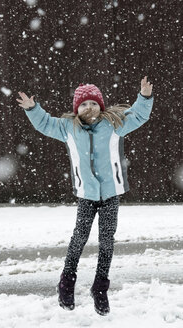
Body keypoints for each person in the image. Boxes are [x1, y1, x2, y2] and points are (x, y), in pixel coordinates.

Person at [16, 76, 153, 316]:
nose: (88, 108)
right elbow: (45, 123)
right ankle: (66, 283)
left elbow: (138, 115)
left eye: (93, 104)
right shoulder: (69, 128)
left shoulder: (114, 124)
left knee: (107, 241)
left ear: (101, 106)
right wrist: (32, 109)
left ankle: (100, 288)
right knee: (79, 238)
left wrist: (144, 97)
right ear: (76, 109)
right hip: (86, 195)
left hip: (110, 194)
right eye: (83, 105)